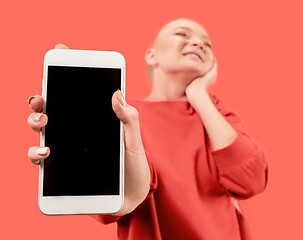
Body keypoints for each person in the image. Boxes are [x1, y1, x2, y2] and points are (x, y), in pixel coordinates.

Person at [27, 18, 268, 240]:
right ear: (152, 56)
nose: (198, 43)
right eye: (182, 33)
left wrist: (199, 96)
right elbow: (117, 202)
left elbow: (251, 180)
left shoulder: (217, 113)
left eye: (207, 43)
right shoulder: (125, 114)